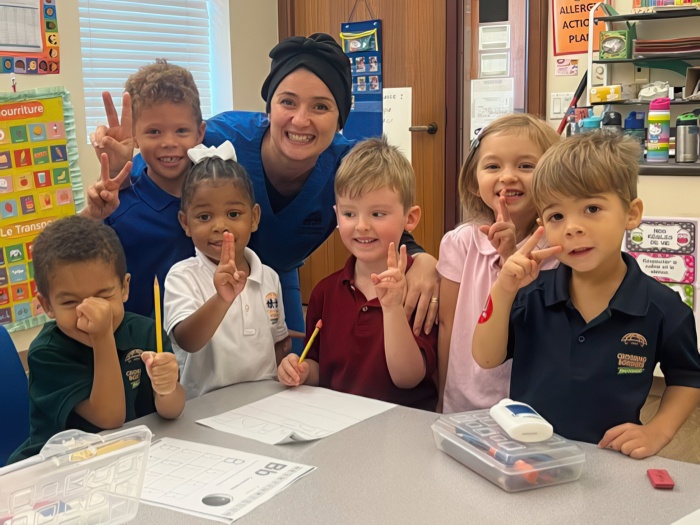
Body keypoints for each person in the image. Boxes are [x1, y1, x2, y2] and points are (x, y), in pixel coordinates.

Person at [91, 33, 440, 354]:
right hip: (207, 276)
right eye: (288, 102)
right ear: (268, 108)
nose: (301, 120)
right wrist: (123, 167)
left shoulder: (345, 164)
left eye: (320, 107)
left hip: (274, 276)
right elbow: (158, 162)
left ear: (339, 120)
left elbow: (382, 208)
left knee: (289, 365)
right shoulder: (220, 138)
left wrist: (421, 258)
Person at [472, 132, 700, 458]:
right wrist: (503, 289)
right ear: (543, 225)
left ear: (631, 213)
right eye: (556, 216)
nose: (572, 227)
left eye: (592, 208)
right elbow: (486, 357)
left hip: (611, 461)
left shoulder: (662, 307)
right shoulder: (531, 295)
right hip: (528, 456)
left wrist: (657, 431)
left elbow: (688, 378)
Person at [277, 137, 437, 409]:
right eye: (350, 214)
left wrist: (393, 309)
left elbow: (408, 378)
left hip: (401, 430)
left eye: (377, 214)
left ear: (410, 218)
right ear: (336, 215)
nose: (361, 226)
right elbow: (320, 369)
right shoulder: (324, 292)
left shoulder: (421, 288)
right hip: (336, 423)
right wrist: (301, 370)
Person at [9, 216, 185, 463]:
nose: (90, 311)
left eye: (103, 296)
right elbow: (110, 418)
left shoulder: (145, 332)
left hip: (132, 458)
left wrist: (167, 390)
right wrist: (102, 336)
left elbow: (172, 410)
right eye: (70, 302)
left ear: (124, 288)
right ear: (47, 305)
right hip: (59, 470)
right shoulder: (47, 353)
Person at [437, 114, 560, 413]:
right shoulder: (460, 242)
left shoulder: (557, 250)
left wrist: (510, 257)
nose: (507, 176)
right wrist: (440, 395)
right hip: (462, 402)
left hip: (533, 407)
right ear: (473, 180)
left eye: (526, 166)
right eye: (493, 166)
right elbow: (447, 325)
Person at [82, 59, 206, 318]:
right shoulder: (119, 206)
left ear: (200, 133)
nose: (169, 143)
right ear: (135, 136)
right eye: (154, 132)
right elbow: (67, 260)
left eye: (181, 130)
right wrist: (92, 216)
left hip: (210, 346)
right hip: (143, 349)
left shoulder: (218, 193)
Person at [164, 142, 289, 399]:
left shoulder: (269, 277)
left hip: (265, 404)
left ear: (254, 218)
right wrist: (222, 299)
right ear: (185, 223)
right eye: (204, 217)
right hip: (203, 409)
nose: (220, 226)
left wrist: (287, 368)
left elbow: (278, 343)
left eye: (233, 214)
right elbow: (188, 341)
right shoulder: (182, 276)